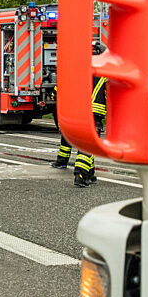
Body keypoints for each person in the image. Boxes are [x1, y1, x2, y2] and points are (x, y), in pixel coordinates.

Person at [52, 41, 107, 187]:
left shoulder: (77, 69)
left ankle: (90, 173)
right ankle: (80, 175)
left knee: (88, 144)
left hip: (76, 111)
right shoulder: (104, 72)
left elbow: (59, 89)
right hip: (94, 113)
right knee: (88, 146)